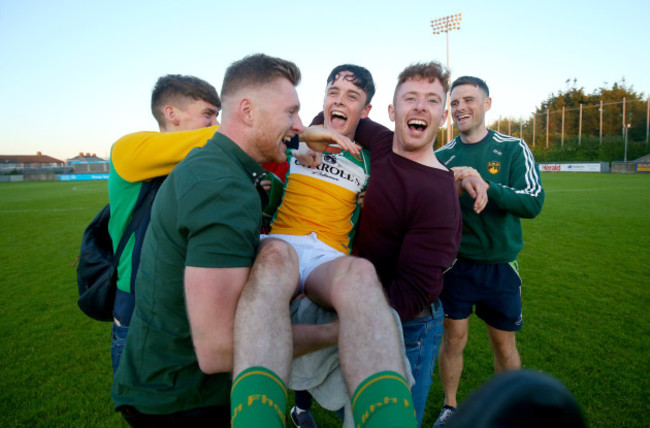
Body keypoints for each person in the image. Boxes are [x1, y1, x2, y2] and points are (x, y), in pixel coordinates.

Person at [111, 53, 353, 426]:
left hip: (175, 388)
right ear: (247, 110)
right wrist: (336, 332)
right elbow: (220, 350)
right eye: (291, 112)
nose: (300, 125)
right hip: (184, 400)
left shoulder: (224, 170)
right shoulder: (222, 185)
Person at [231, 65, 420, 428]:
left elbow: (416, 172)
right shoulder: (293, 141)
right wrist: (296, 143)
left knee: (363, 273)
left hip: (326, 257)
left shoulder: (368, 161)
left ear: (364, 112)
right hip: (279, 241)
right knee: (273, 256)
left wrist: (459, 174)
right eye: (334, 91)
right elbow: (243, 139)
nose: (339, 100)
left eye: (352, 96)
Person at [346, 62, 487, 427]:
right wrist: (309, 133)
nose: (420, 107)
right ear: (393, 112)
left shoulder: (438, 195)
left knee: (390, 420)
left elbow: (413, 292)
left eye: (432, 101)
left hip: (407, 327)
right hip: (361, 306)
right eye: (410, 98)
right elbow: (343, 115)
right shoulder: (379, 144)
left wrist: (351, 318)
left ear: (442, 117)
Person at [433, 76, 545, 427]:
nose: (460, 108)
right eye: (454, 103)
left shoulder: (513, 148)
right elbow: (428, 208)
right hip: (456, 267)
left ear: (487, 104)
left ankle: (508, 408)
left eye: (468, 100)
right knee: (453, 340)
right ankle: (450, 407)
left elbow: (532, 202)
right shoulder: (442, 155)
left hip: (500, 267)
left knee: (503, 344)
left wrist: (485, 185)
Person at [109, 74, 220, 373]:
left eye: (218, 116)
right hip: (139, 302)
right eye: (208, 114)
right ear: (171, 113)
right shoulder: (129, 148)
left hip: (193, 298)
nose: (215, 124)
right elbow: (223, 138)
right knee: (147, 407)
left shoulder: (203, 160)